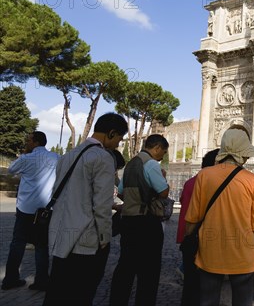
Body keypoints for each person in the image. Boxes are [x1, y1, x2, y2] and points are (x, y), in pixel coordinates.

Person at [43, 113, 127, 306]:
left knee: (57, 291)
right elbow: (102, 205)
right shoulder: (103, 157)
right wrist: (105, 238)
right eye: (119, 139)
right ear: (111, 133)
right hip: (86, 239)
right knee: (81, 293)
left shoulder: (68, 155)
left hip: (61, 234)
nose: (117, 145)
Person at [185, 128, 254, 306]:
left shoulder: (204, 175)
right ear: (242, 153)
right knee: (243, 301)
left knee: (207, 300)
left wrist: (188, 239)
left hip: (210, 249)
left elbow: (192, 218)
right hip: (244, 252)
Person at [110, 134, 170, 306]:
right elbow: (163, 192)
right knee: (149, 271)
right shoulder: (151, 164)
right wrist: (163, 178)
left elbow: (121, 192)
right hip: (146, 221)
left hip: (128, 220)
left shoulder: (131, 163)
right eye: (163, 152)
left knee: (126, 266)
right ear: (157, 147)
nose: (163, 156)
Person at [2, 131, 58, 291]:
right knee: (41, 245)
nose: (26, 142)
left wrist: (25, 154)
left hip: (25, 209)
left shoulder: (27, 158)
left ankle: (10, 279)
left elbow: (11, 170)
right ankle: (42, 281)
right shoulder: (55, 158)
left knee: (18, 243)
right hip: (45, 210)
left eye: (29, 140)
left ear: (36, 142)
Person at [177, 148, 219, 305]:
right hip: (204, 237)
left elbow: (183, 202)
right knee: (207, 284)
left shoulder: (190, 182)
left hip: (188, 237)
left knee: (190, 283)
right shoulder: (210, 182)